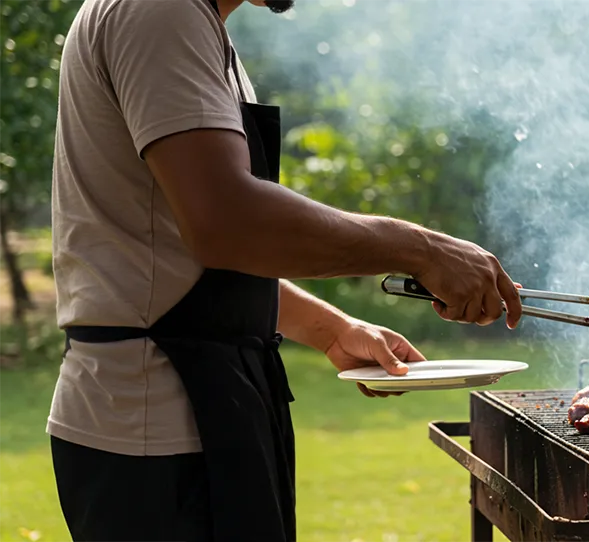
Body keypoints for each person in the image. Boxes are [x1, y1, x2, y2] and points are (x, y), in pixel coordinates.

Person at [47, 0, 523, 539]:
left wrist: (331, 329)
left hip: (203, 412)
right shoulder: (162, 11)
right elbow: (226, 221)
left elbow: (183, 257)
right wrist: (423, 250)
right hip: (156, 430)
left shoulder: (195, 24)